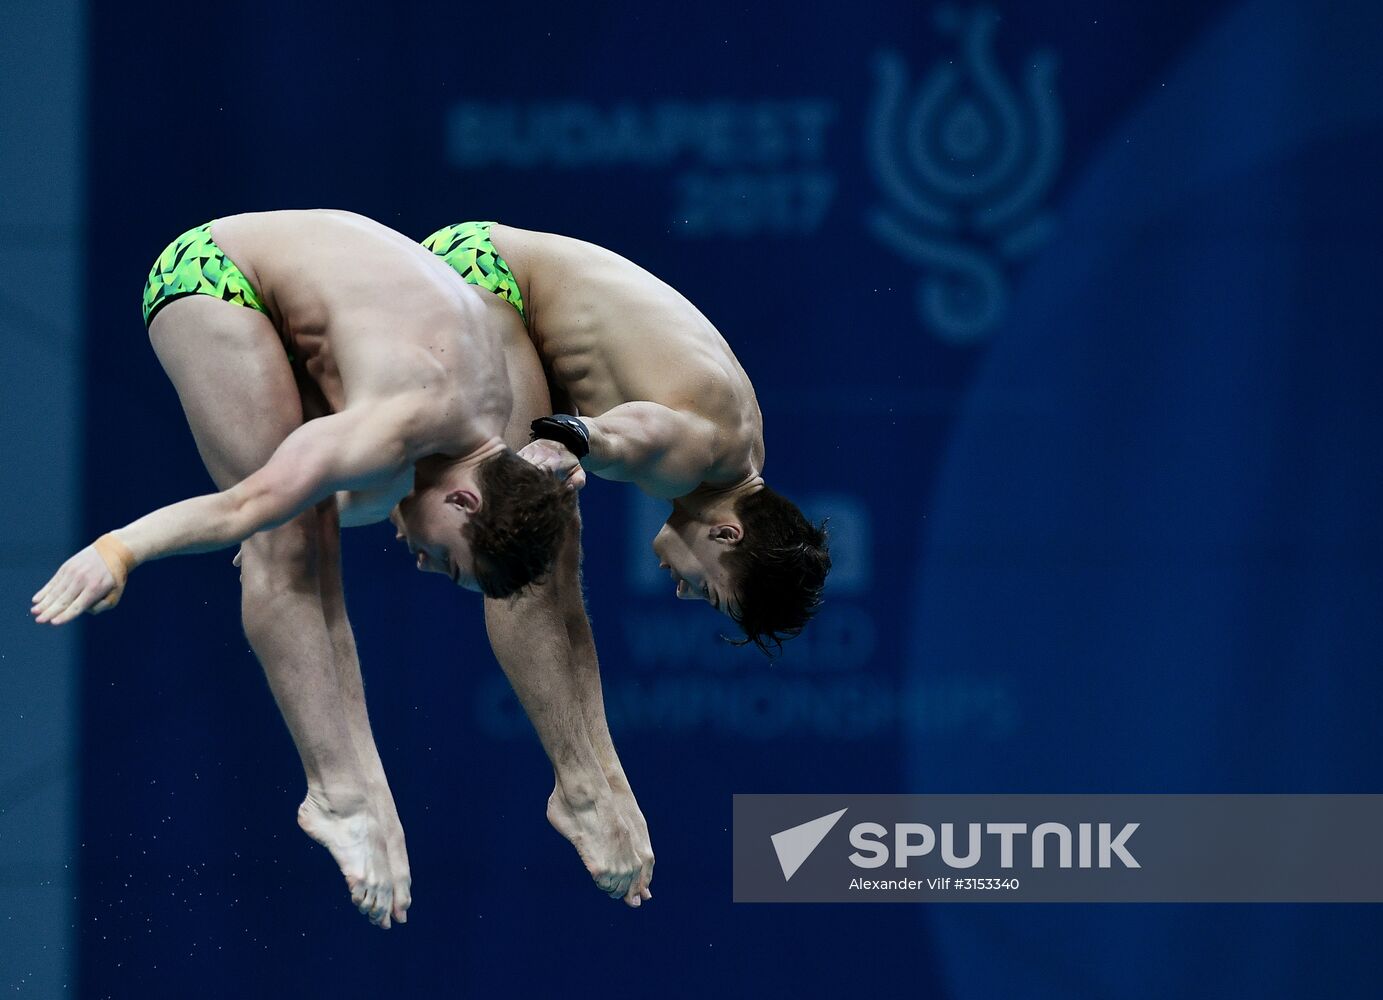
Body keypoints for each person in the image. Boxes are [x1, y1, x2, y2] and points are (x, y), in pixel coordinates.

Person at [30, 210, 575, 928]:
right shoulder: (400, 422)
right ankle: (336, 792)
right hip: (212, 277)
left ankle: (362, 785)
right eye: (448, 561)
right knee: (284, 535)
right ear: (467, 499)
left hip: (311, 293)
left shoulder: (489, 432)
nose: (423, 562)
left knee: (331, 508)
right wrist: (119, 550)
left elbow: (541, 466)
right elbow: (238, 510)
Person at [422, 221, 832, 653]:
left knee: (549, 533)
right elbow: (639, 432)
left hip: (487, 256)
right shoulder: (690, 466)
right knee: (516, 552)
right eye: (709, 592)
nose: (683, 593)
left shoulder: (745, 452)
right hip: (480, 273)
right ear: (728, 535)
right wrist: (572, 440)